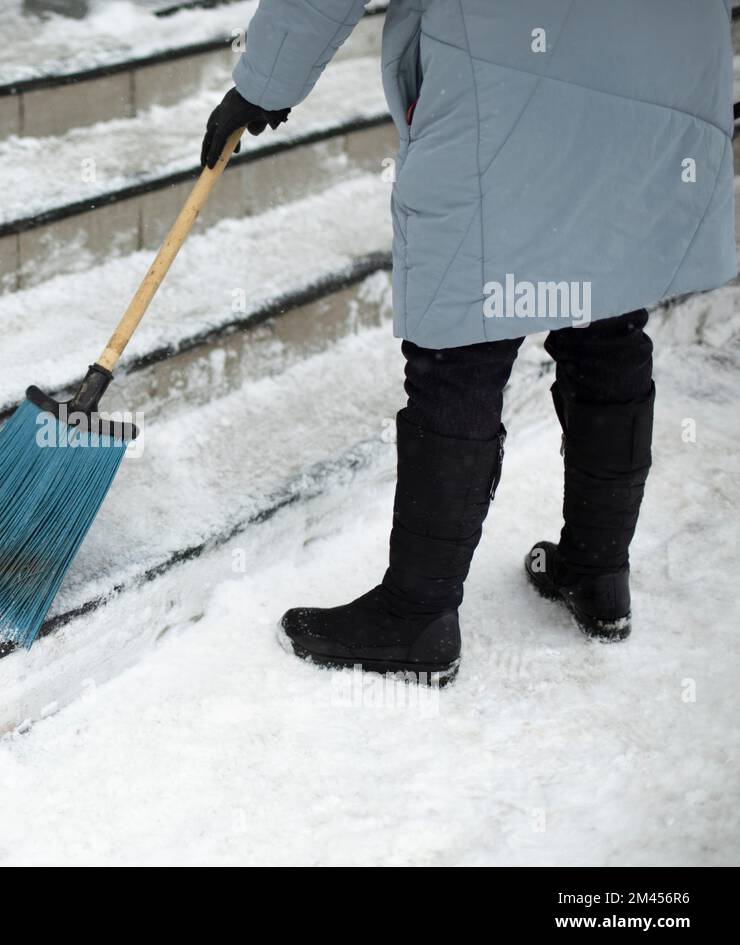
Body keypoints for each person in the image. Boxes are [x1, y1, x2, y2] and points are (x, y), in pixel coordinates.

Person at [202, 0, 736, 686]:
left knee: (460, 343)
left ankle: (416, 615)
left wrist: (264, 82)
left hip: (507, 73)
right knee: (605, 313)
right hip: (662, 67)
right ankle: (599, 571)